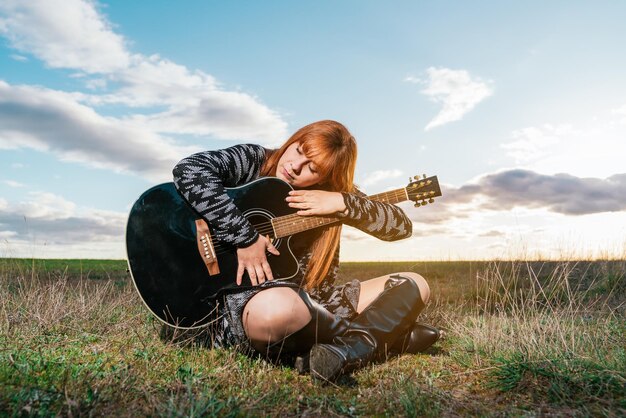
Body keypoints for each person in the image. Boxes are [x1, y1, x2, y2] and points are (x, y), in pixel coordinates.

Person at [172, 120, 439, 382]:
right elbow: (189, 170)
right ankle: (385, 338)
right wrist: (245, 237)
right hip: (251, 306)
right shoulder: (254, 160)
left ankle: (347, 351)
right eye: (299, 150)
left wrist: (342, 202)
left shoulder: (330, 195)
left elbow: (399, 227)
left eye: (313, 167)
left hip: (316, 303)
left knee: (415, 283)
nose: (295, 166)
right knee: (278, 310)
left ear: (327, 176)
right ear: (294, 139)